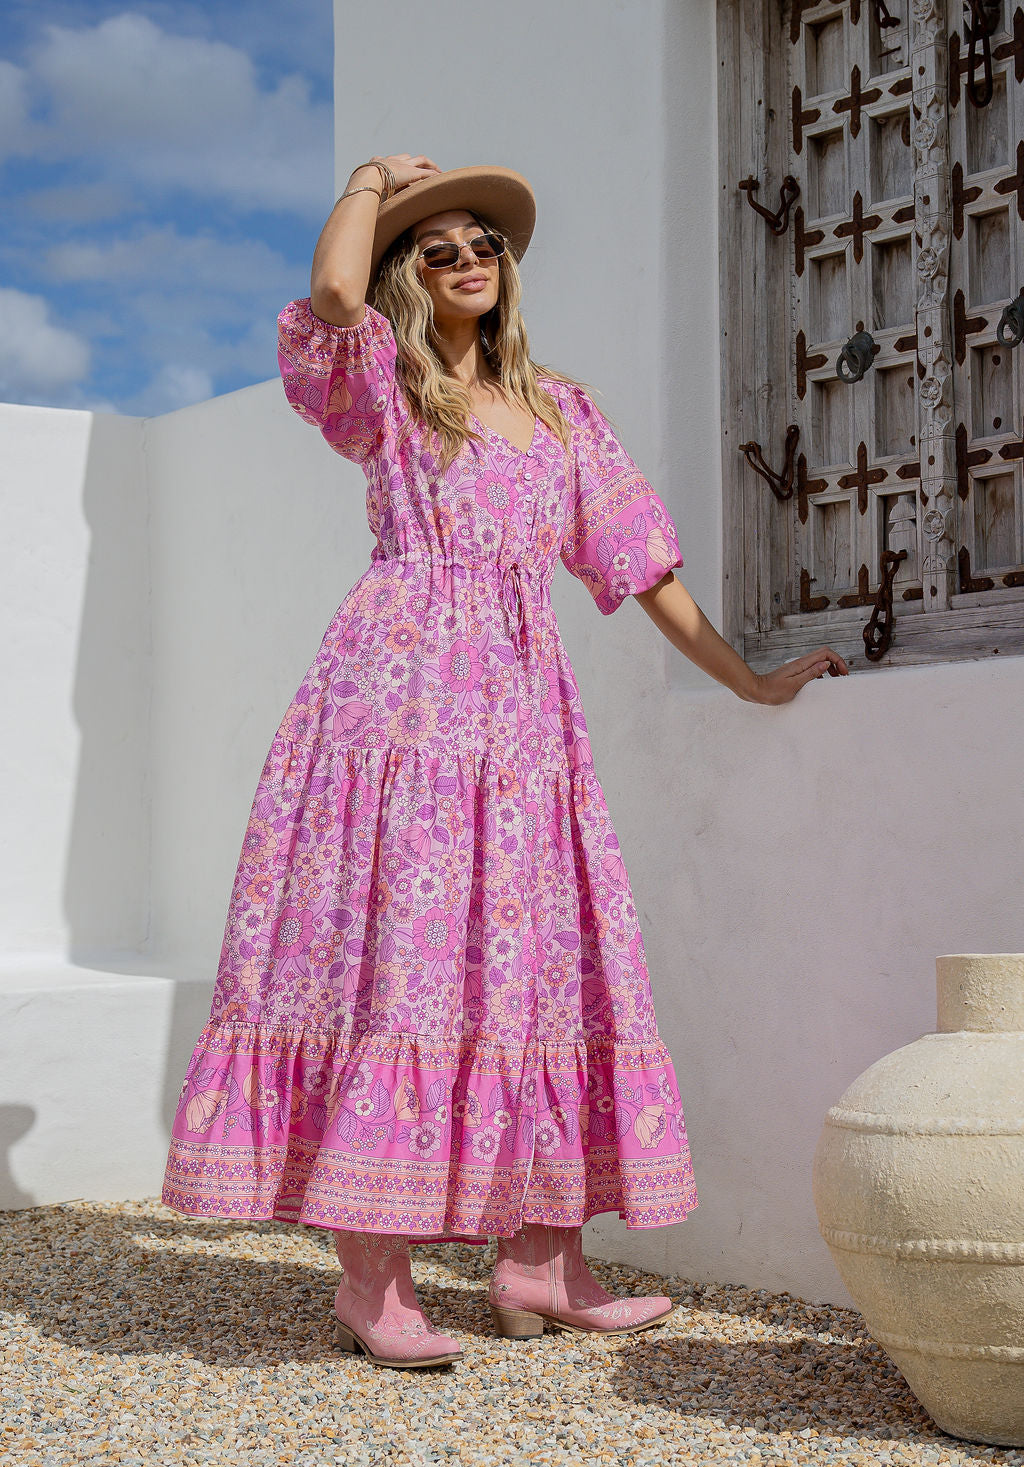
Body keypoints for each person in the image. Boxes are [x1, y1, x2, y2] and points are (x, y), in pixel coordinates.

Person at [162, 153, 847, 1370]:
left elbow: (641, 569)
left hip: (525, 720)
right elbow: (327, 296)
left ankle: (543, 1262)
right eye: (438, 248)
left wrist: (746, 678)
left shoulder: (564, 413)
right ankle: (373, 1281)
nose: (469, 257)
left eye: (484, 242)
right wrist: (370, 180)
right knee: (398, 963)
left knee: (539, 966)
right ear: (405, 279)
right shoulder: (383, 382)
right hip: (396, 700)